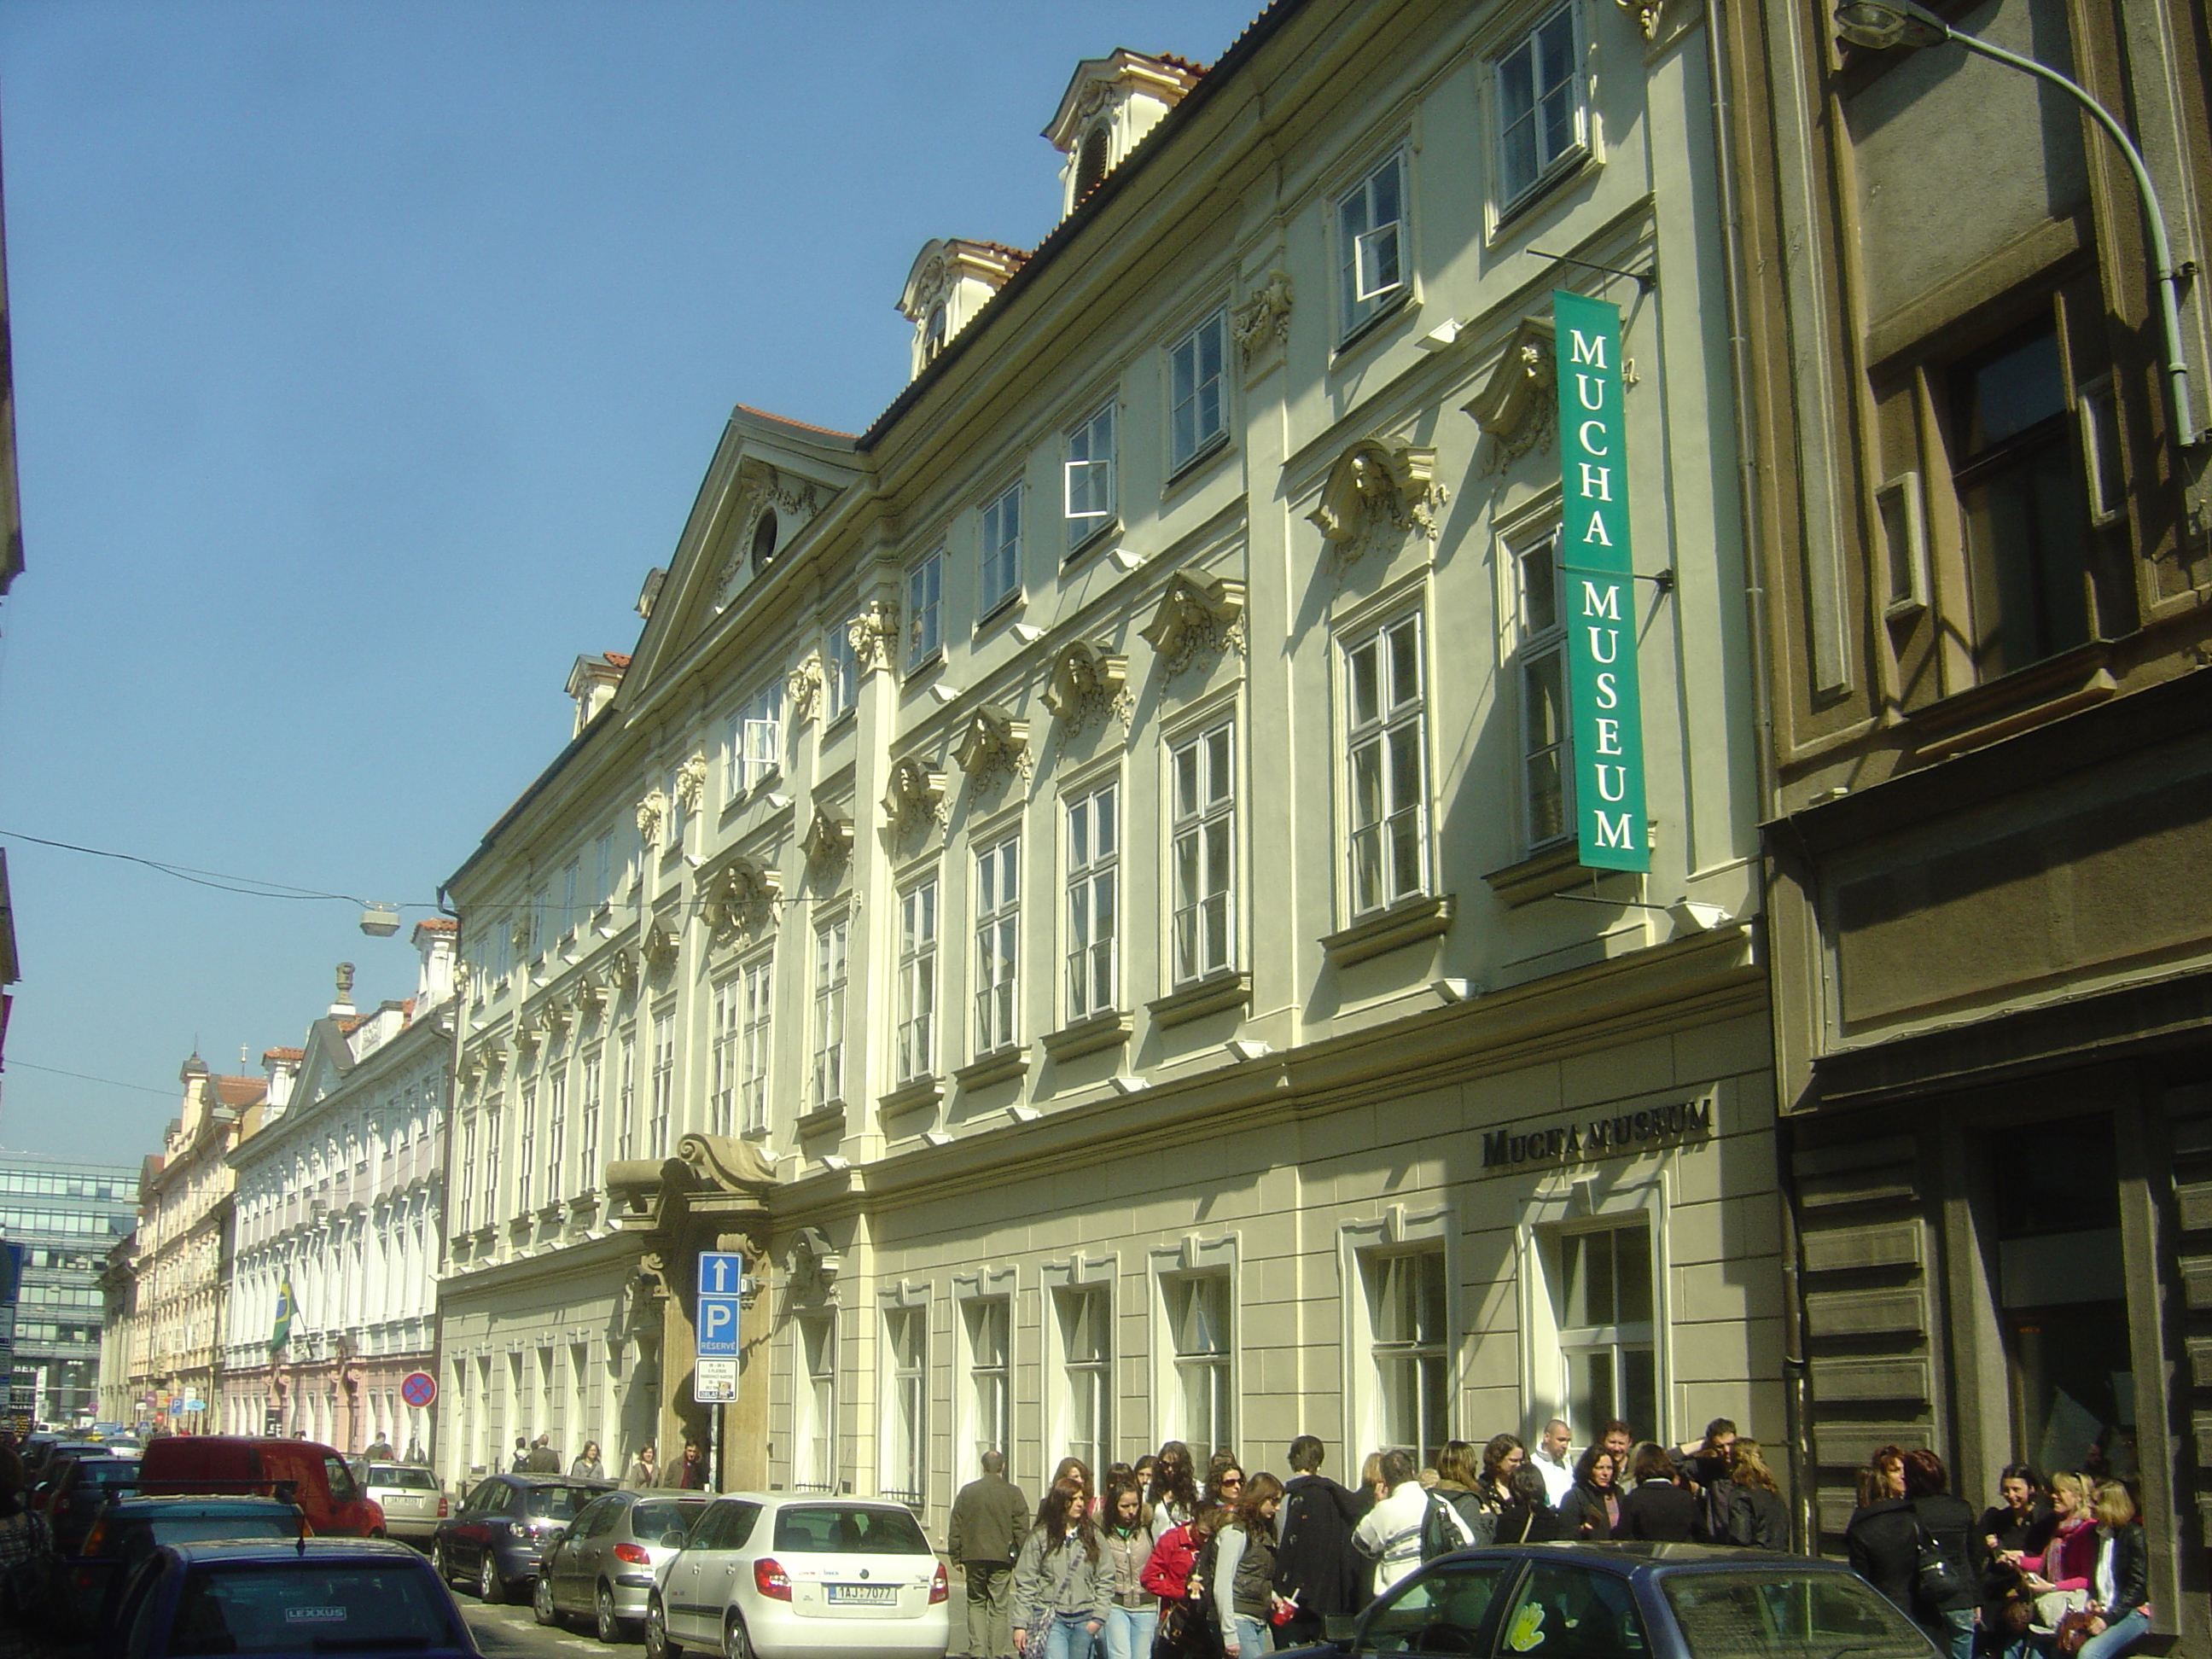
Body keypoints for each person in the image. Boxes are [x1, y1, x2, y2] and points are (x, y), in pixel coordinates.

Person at [1844, 1447, 1976, 1659]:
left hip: (1897, 1613)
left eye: (1904, 1470)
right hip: (1930, 1608)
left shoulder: (1865, 1526)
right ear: (1882, 1478)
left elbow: (1862, 1582)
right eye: (1895, 1470)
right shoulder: (1913, 1518)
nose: (1903, 1476)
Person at [1272, 1436, 1366, 1650]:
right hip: (1329, 1594)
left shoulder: (1287, 1497)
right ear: (1320, 1462)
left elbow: (1282, 1543)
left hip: (1293, 1594)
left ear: (1292, 1460)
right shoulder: (1335, 1495)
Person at [1352, 1448, 1469, 1596]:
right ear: (1413, 1473)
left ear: (1385, 1480)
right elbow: (1468, 1539)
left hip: (1397, 1597)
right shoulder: (1439, 1503)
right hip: (1435, 1594)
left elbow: (1360, 1541)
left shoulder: (1384, 1510)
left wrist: (1377, 1506)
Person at [1012, 1479, 1106, 1659]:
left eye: (1081, 1498)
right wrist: (1020, 1624)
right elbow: (1026, 1581)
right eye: (1073, 1499)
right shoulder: (1041, 1536)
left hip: (1084, 1618)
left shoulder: (1092, 1535)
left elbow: (1106, 1576)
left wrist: (1099, 1617)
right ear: (1061, 1502)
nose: (1079, 1504)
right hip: (1052, 1617)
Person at [951, 1451, 1032, 1659]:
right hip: (1002, 1557)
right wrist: (1021, 1556)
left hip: (973, 1556)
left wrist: (955, 1555)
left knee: (976, 1603)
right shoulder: (1013, 1493)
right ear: (1003, 1467)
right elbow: (1021, 1528)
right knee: (999, 1606)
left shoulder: (968, 1492)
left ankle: (978, 1651)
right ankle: (996, 1653)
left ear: (982, 1467)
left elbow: (956, 1523)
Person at [1209, 1473, 1286, 1659]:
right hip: (1238, 1619)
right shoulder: (1235, 1532)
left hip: (1258, 1619)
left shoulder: (1262, 1532)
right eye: (1273, 1501)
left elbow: (1255, 1574)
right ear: (1259, 1498)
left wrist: (1273, 1597)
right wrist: (1229, 1633)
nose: (1277, 1508)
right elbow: (1222, 1584)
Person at [2074, 1481, 2149, 1659]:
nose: (2089, 1505)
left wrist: (2108, 1619)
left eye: (2096, 1502)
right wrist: (2093, 1598)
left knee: (2089, 1654)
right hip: (2104, 1609)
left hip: (2133, 1613)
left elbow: (2136, 1587)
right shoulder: (2098, 1534)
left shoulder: (2133, 1534)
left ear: (2111, 1505)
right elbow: (2099, 1576)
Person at [1142, 1505, 1222, 1659]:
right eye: (1202, 1534)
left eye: (1210, 1536)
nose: (1205, 1540)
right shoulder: (1172, 1539)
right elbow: (1148, 1579)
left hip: (1207, 1622)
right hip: (1178, 1620)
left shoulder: (1215, 1545)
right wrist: (1181, 1593)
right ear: (1193, 1522)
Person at [1098, 1477, 1157, 1659]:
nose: (1131, 1511)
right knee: (1120, 1656)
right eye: (1125, 1506)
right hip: (1116, 1604)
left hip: (1146, 1604)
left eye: (1135, 1505)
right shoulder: (1102, 1532)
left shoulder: (1148, 1528)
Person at [1615, 1442, 1699, 1541]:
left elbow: (1623, 1536)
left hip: (1645, 1550)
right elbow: (1701, 1534)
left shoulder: (1633, 1499)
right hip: (1678, 1550)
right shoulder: (1685, 1498)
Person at [1719, 1440, 1787, 1549]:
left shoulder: (1742, 1494)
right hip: (1779, 1554)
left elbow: (1740, 1537)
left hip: (1753, 1555)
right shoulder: (1772, 1490)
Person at [1556, 1446, 1621, 1540]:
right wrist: (1583, 1530)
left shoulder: (1618, 1493)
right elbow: (1565, 1536)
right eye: (1600, 1468)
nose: (1605, 1473)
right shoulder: (1574, 1496)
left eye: (1609, 1468)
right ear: (1588, 1469)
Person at [1493, 1465, 1563, 1545]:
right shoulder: (1553, 1518)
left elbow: (1498, 1547)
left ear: (1514, 1488)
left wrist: (1489, 1518)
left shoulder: (1510, 1519)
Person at [1148, 1442, 1202, 1538]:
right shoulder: (1150, 1489)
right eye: (1165, 1464)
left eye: (1175, 1465)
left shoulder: (1197, 1489)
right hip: (1160, 1544)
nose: (1170, 1469)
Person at [1429, 1442, 1485, 1534]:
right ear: (1470, 1467)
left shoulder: (1429, 1498)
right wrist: (1488, 1519)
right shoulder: (1469, 1501)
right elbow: (1476, 1540)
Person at [1529, 1420, 1575, 1508]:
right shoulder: (1532, 1464)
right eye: (1561, 1440)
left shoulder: (1568, 1468)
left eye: (1568, 1441)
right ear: (1546, 1437)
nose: (1565, 1445)